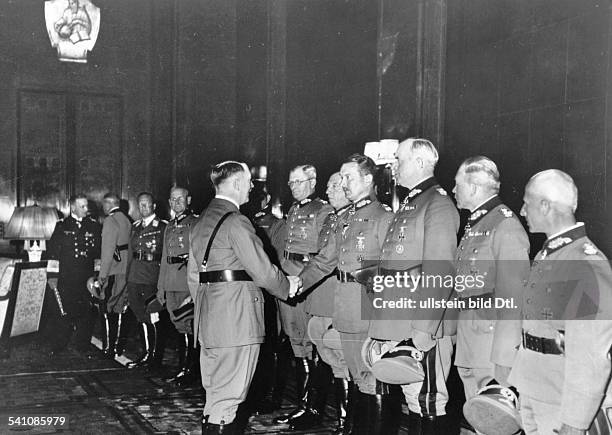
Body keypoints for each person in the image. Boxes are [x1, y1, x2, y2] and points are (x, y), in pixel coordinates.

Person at [187, 161, 301, 434]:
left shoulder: (201, 221)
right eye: (249, 182)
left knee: (215, 397)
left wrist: (211, 307)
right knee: (230, 400)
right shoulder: (236, 221)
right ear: (236, 184)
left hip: (209, 320)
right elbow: (263, 272)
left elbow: (193, 278)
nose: (252, 187)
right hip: (237, 322)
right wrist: (288, 287)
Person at [508, 169, 612, 434]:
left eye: (526, 203)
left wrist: (575, 422)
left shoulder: (585, 263)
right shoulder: (551, 253)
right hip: (535, 387)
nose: (522, 211)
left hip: (561, 398)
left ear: (545, 205)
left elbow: (590, 356)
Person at [368, 138, 459, 434]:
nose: (394, 165)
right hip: (397, 321)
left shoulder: (438, 203)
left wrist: (423, 331)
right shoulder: (412, 202)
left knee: (428, 400)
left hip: (419, 326)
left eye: (399, 159)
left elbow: (439, 271)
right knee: (412, 399)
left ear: (419, 162)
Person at [300, 154, 395, 435]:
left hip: (369, 310)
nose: (343, 184)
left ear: (368, 180)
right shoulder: (347, 218)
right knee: (357, 378)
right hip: (345, 307)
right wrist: (292, 284)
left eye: (348, 178)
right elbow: (324, 261)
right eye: (340, 178)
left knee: (372, 379)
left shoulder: (383, 217)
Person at [452, 156, 530, 428]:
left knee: (495, 419)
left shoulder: (504, 225)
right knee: (477, 416)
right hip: (471, 333)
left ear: (473, 187)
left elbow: (514, 299)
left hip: (491, 339)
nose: (453, 190)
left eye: (457, 184)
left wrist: (504, 359)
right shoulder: (477, 223)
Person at [291, 172, 353, 432]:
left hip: (335, 297)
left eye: (335, 186)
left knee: (341, 360)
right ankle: (319, 413)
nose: (329, 191)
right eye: (328, 186)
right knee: (323, 356)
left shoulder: (349, 217)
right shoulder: (335, 218)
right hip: (320, 294)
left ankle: (345, 420)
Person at [273, 164, 334, 425]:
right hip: (288, 276)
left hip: (306, 281)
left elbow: (324, 255)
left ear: (312, 181)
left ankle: (312, 408)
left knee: (311, 342)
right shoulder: (294, 209)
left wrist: (301, 276)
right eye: (291, 183)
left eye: (298, 182)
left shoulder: (323, 210)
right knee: (295, 339)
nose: (294, 187)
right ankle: (303, 404)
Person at [46, 193, 101, 357]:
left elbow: (98, 253)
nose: (86, 209)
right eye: (82, 206)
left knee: (86, 312)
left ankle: (82, 345)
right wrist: (52, 276)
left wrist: (97, 276)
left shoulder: (94, 226)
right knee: (63, 311)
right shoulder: (62, 226)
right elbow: (53, 252)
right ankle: (59, 344)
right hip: (66, 277)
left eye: (87, 206)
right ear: (73, 207)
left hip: (86, 277)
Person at [157, 186, 199, 385]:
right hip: (171, 281)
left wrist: (195, 289)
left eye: (180, 199)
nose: (176, 203)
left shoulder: (195, 223)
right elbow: (165, 258)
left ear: (189, 199)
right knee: (179, 326)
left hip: (186, 281)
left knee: (189, 325)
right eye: (173, 200)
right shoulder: (169, 226)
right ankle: (184, 368)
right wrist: (160, 287)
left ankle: (190, 371)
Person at [125, 192, 167, 370]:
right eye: (140, 205)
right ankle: (146, 353)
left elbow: (165, 256)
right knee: (140, 315)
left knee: (154, 315)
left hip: (152, 276)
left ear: (154, 206)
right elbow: (129, 253)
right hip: (135, 275)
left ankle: (155, 358)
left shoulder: (163, 226)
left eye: (146, 205)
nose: (143, 208)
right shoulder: (135, 226)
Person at [98, 193, 132, 359]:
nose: (103, 207)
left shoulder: (110, 221)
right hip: (126, 271)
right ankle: (117, 348)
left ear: (108, 204)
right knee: (120, 307)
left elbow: (107, 252)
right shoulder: (127, 219)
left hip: (113, 271)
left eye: (104, 204)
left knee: (105, 307)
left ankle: (107, 348)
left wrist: (102, 276)